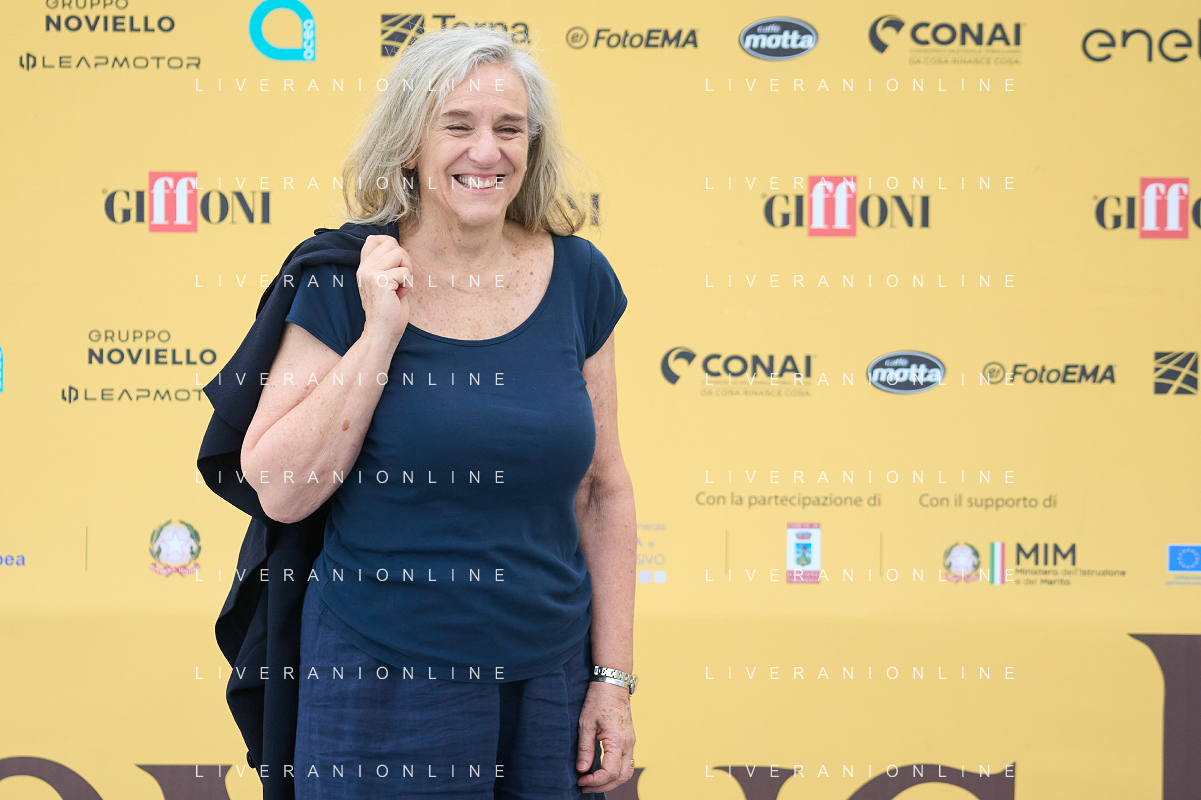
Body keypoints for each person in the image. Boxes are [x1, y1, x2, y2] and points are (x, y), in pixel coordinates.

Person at [236, 26, 636, 799]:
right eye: (457, 125)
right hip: (379, 682)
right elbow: (280, 490)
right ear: (408, 145)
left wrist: (611, 680)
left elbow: (603, 487)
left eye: (508, 128)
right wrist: (379, 333)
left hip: (546, 684)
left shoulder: (581, 278)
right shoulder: (341, 281)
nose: (486, 151)